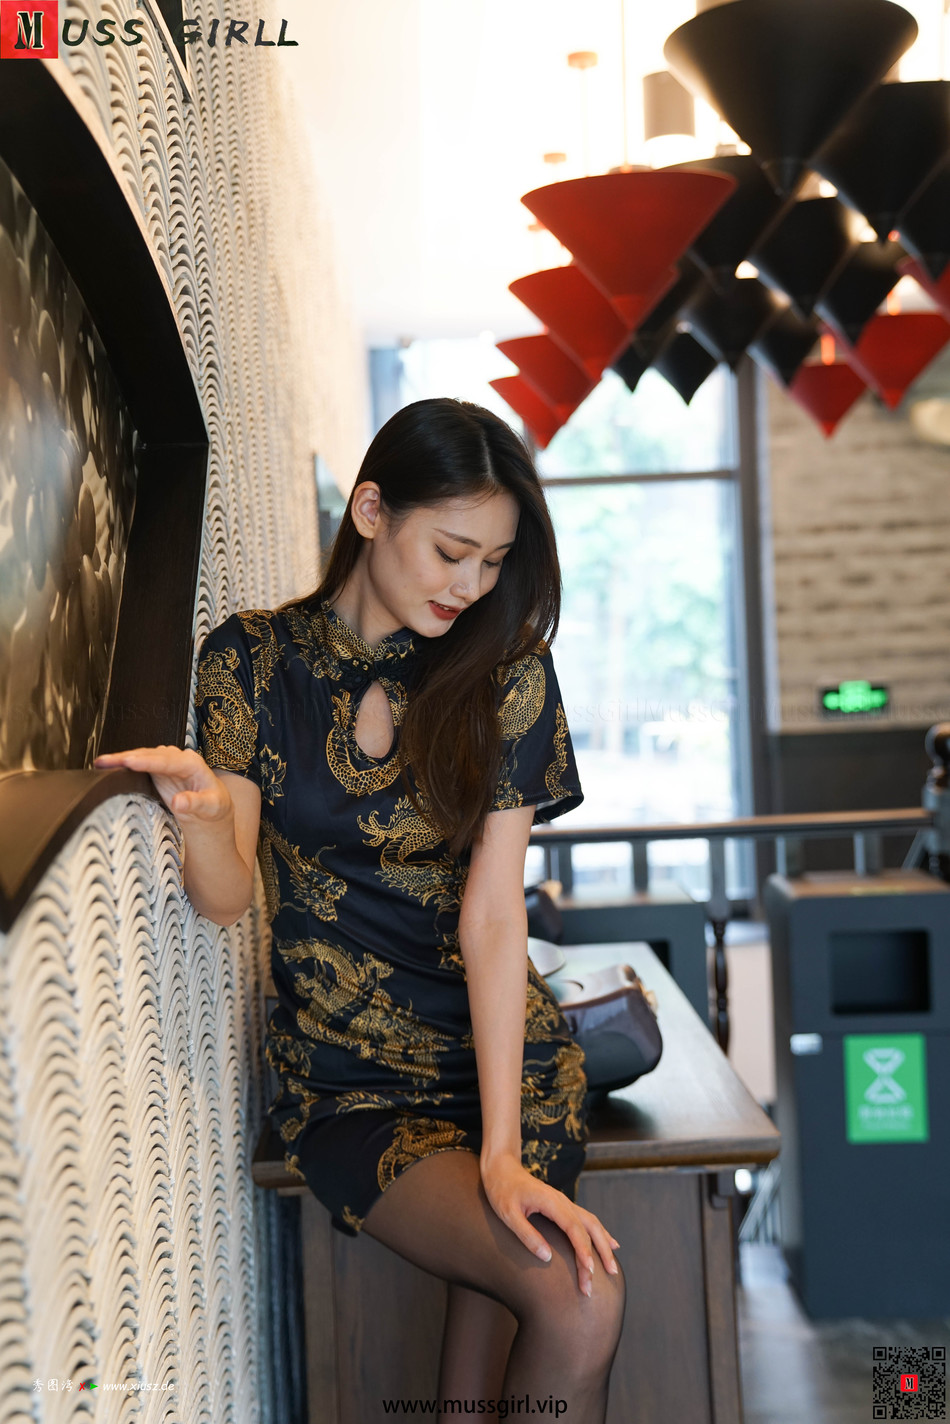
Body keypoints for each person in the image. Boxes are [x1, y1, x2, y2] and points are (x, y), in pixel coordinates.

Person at [94, 397, 625, 1421]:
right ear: (372, 510)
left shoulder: (508, 672)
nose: (470, 586)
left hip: (505, 1069)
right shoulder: (252, 661)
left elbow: (493, 915)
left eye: (492, 562)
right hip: (351, 1084)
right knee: (573, 1295)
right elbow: (226, 896)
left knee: (528, 1329)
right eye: (451, 552)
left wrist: (501, 1151)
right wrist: (204, 814)